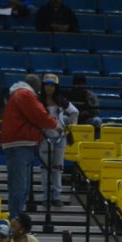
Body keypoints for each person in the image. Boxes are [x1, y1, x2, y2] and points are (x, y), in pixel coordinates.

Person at [0, 74, 60, 216]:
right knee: (19, 187)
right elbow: (39, 115)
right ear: (36, 86)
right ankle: (15, 220)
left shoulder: (19, 94)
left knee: (22, 187)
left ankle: (18, 219)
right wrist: (55, 124)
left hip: (22, 144)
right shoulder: (24, 94)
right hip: (19, 144)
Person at [35, 74, 78, 208]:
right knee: (45, 168)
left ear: (56, 87)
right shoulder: (38, 101)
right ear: (43, 86)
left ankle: (56, 196)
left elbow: (74, 112)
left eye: (52, 85)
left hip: (60, 138)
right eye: (47, 85)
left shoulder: (61, 101)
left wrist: (70, 126)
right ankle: (46, 196)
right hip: (44, 137)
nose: (49, 87)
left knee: (58, 168)